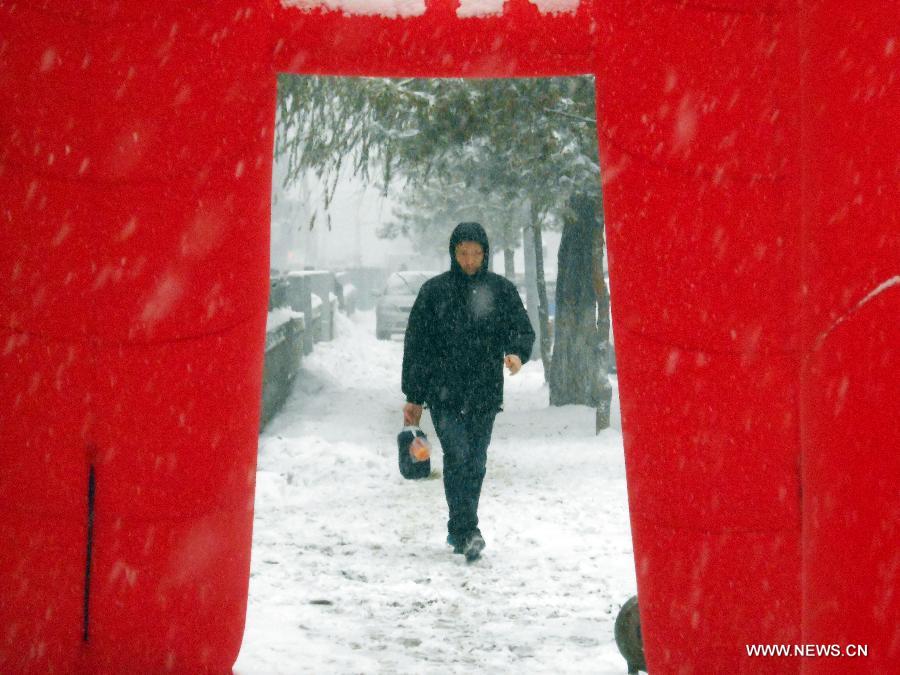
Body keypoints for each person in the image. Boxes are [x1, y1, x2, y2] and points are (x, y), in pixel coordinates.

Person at [401, 222, 535, 561]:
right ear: (453, 253)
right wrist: (414, 397)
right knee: (458, 455)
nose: (470, 260)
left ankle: (459, 528)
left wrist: (517, 354)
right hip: (444, 394)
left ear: (485, 253)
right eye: (463, 253)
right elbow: (417, 346)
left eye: (476, 253)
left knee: (475, 461)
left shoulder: (500, 291)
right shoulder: (434, 292)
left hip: (485, 392)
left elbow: (522, 329)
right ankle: (466, 529)